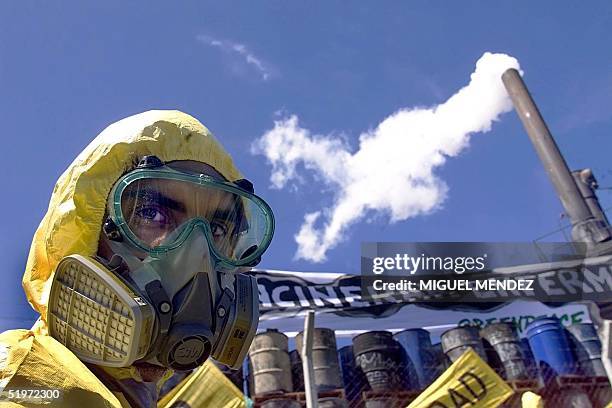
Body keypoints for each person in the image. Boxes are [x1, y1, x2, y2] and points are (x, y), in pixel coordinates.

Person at [0, 110, 274, 407]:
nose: (197, 258)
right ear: (85, 233)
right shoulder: (20, 385)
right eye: (151, 213)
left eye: (217, 229)